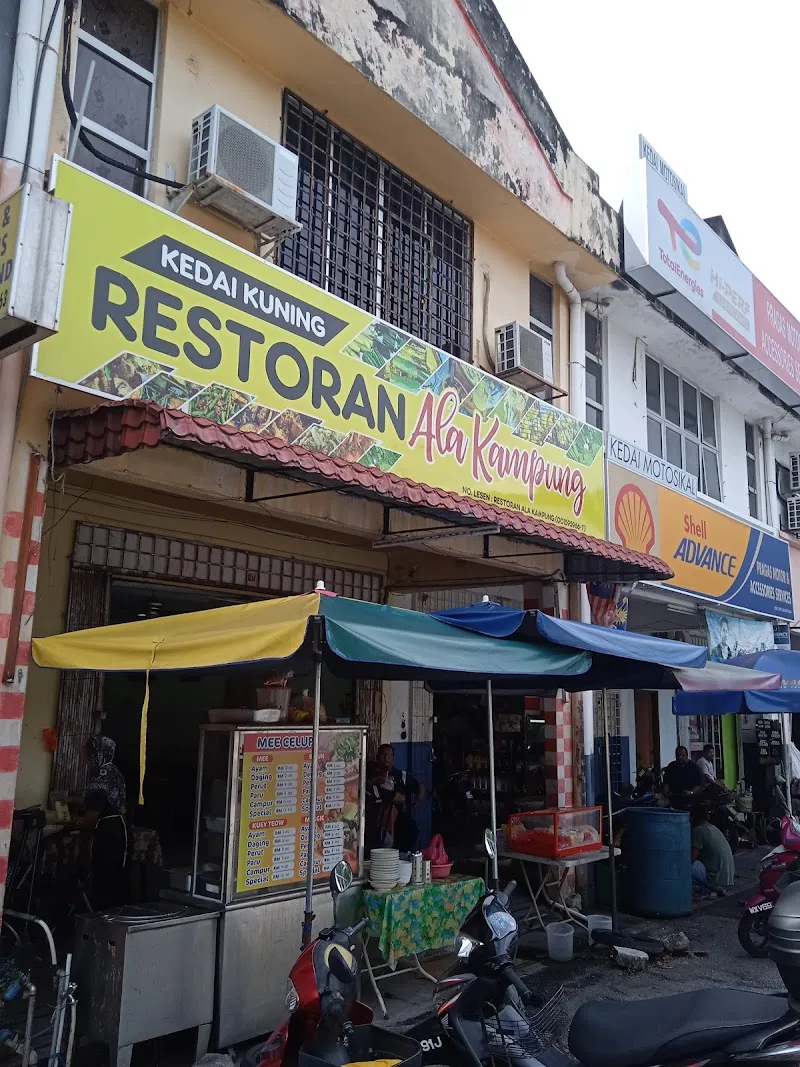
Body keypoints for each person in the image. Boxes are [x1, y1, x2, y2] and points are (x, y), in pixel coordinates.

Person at [80, 735, 128, 908]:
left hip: (107, 832)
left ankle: (101, 922)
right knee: (114, 877)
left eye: (88, 753)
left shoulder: (102, 775)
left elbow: (92, 814)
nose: (85, 757)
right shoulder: (114, 771)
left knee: (103, 879)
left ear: (98, 753)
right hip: (118, 829)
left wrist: (83, 842)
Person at [366, 744, 424, 853]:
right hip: (376, 818)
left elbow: (419, 786)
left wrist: (419, 799)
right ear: (378, 756)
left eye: (389, 755)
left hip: (397, 818)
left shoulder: (400, 775)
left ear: (393, 758)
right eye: (384, 754)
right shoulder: (371, 773)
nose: (386, 757)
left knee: (411, 829)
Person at [691, 805, 734, 896]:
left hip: (716, 880)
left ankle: (708, 888)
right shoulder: (713, 828)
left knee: (687, 868)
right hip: (728, 879)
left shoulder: (698, 830)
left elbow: (691, 858)